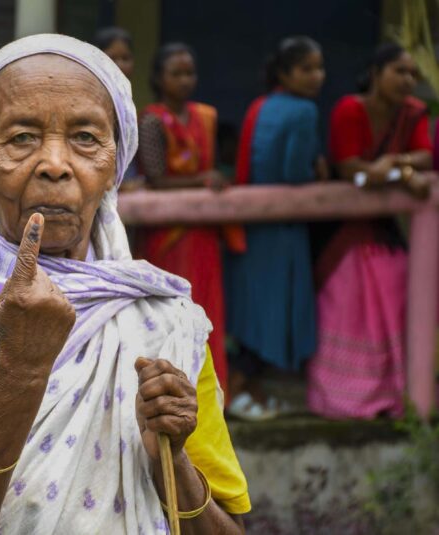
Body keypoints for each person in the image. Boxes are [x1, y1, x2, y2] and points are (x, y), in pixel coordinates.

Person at [0, 34, 249, 535]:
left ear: (115, 164)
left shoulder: (165, 321)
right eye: (21, 138)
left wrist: (168, 462)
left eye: (85, 138)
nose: (55, 164)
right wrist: (20, 372)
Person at [307, 43, 432, 419]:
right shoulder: (351, 110)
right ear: (375, 75)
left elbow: (424, 156)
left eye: (413, 73)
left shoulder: (413, 112)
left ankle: (397, 398)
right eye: (399, 71)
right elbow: (349, 168)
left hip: (383, 233)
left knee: (396, 292)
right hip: (341, 233)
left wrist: (395, 164)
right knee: (346, 301)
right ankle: (342, 401)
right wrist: (401, 172)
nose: (407, 80)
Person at [224, 37, 326, 420]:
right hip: (283, 229)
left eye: (320, 67)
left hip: (254, 225)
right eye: (307, 68)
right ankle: (235, 394)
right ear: (285, 73)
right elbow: (294, 173)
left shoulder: (259, 106)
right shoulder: (304, 112)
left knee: (251, 315)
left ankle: (248, 393)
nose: (317, 76)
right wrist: (318, 169)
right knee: (274, 317)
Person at [136, 43, 231, 397]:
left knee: (207, 311)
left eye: (189, 73)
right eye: (176, 73)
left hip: (203, 234)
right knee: (169, 314)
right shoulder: (151, 120)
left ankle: (210, 395)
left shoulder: (206, 116)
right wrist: (202, 180)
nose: (184, 80)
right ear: (159, 78)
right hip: (168, 236)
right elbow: (156, 179)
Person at [93, 26, 141, 189]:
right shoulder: (89, 104)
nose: (119, 65)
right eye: (111, 58)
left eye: (125, 58)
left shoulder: (127, 105)